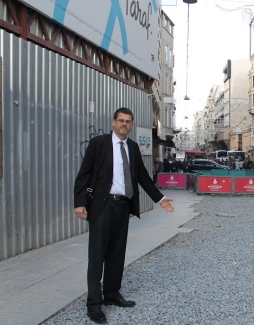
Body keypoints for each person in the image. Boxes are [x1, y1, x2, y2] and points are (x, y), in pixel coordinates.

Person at [73, 108, 175, 324]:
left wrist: (160, 198)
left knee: (117, 253)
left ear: (132, 124)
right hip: (102, 206)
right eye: (121, 121)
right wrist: (80, 203)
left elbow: (142, 177)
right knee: (97, 256)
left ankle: (111, 294)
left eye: (128, 122)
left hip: (123, 206)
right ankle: (93, 304)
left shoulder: (133, 147)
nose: (124, 125)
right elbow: (84, 174)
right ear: (113, 122)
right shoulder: (99, 144)